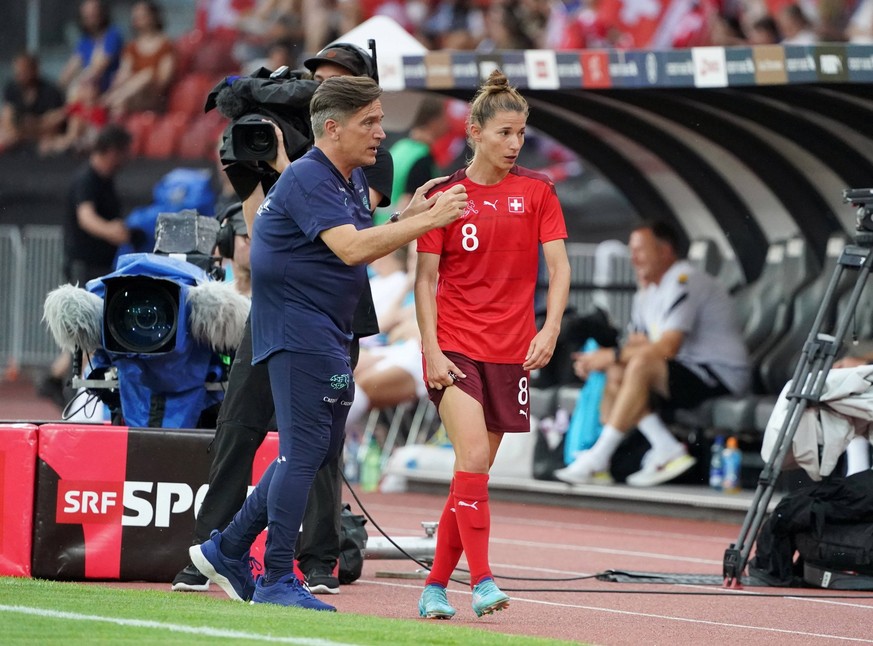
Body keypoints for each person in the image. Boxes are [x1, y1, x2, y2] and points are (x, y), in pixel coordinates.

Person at [187, 75, 466, 611]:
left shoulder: (345, 178)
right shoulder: (312, 177)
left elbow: (361, 233)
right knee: (303, 451)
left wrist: (409, 215)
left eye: (381, 119)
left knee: (312, 451)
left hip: (326, 334)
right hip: (300, 332)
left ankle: (229, 549)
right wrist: (429, 222)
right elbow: (352, 248)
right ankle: (274, 577)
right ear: (332, 128)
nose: (382, 132)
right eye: (371, 121)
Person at [172, 43, 395, 596]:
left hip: (335, 309)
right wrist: (263, 173)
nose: (316, 87)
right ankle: (223, 552)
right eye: (313, 78)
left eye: (334, 79)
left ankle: (318, 558)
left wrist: (285, 164)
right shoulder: (291, 158)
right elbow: (263, 232)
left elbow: (350, 227)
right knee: (240, 427)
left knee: (319, 445)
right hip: (286, 310)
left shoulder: (363, 156)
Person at [415, 69, 571, 620]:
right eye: (504, 132)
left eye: (521, 134)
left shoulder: (537, 192)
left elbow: (559, 266)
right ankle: (481, 580)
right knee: (475, 457)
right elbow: (424, 280)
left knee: (471, 473)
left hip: (511, 350)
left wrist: (549, 328)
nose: (514, 144)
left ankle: (435, 585)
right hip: (455, 344)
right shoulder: (443, 196)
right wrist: (431, 350)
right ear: (475, 132)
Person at [554, 220, 751, 487]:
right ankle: (658, 447)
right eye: (632, 251)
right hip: (684, 372)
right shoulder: (648, 290)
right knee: (618, 369)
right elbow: (637, 344)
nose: (633, 258)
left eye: (641, 250)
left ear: (665, 250)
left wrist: (611, 354)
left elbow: (667, 348)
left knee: (639, 362)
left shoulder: (685, 279)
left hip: (720, 376)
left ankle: (600, 456)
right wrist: (603, 359)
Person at [37, 123, 133, 408]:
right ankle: (70, 388)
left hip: (98, 264)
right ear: (112, 151)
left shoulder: (104, 180)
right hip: (84, 266)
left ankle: (54, 378)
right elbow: (86, 216)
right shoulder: (87, 180)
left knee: (88, 333)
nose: (127, 158)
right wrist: (111, 231)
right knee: (86, 332)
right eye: (124, 152)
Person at [101, 0, 176, 118]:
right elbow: (124, 73)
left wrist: (140, 80)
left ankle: (112, 100)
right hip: (131, 95)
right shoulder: (131, 47)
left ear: (154, 16)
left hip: (152, 96)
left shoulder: (166, 45)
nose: (139, 19)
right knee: (119, 105)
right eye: (136, 16)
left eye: (143, 15)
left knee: (147, 75)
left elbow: (164, 79)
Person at [382, 96, 450, 223]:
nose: (448, 124)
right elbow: (409, 201)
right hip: (397, 233)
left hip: (380, 226)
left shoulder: (399, 147)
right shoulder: (422, 158)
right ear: (434, 121)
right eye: (445, 118)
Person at [0, 52, 65, 154]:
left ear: (34, 70)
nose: (19, 76)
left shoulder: (50, 91)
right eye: (17, 72)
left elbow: (55, 122)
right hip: (16, 133)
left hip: (41, 134)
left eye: (23, 72)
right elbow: (7, 116)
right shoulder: (11, 88)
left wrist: (34, 124)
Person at [58, 0, 125, 98]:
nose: (90, 18)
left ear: (101, 13)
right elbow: (71, 66)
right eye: (86, 15)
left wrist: (77, 85)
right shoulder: (85, 41)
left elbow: (98, 68)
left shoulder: (112, 35)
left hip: (107, 91)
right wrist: (58, 86)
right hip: (87, 90)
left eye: (93, 14)